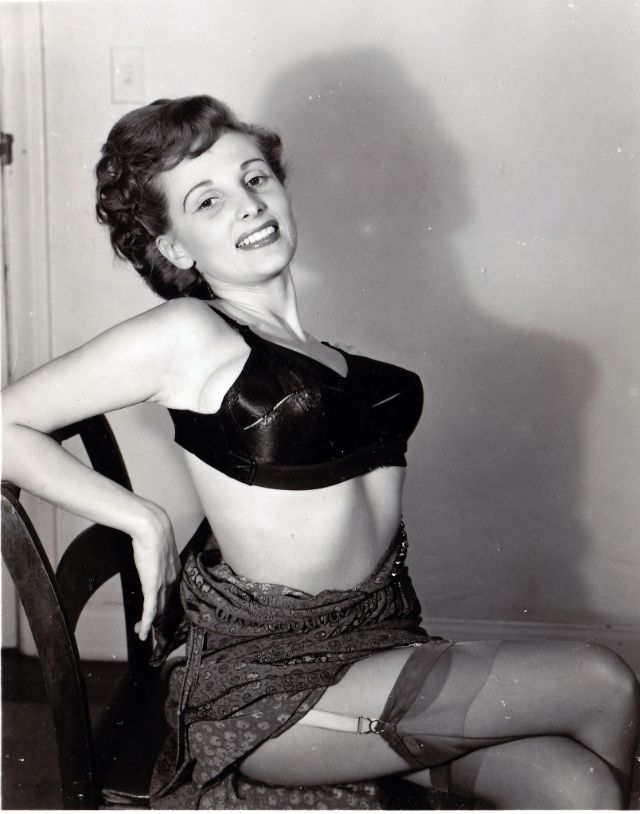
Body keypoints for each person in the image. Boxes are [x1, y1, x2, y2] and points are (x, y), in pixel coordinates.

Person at [2, 95, 638, 810]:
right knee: (603, 682)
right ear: (175, 248)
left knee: (579, 787)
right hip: (275, 689)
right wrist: (141, 519)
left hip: (380, 648)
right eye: (208, 200)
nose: (248, 203)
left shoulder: (317, 350)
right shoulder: (191, 332)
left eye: (255, 177)